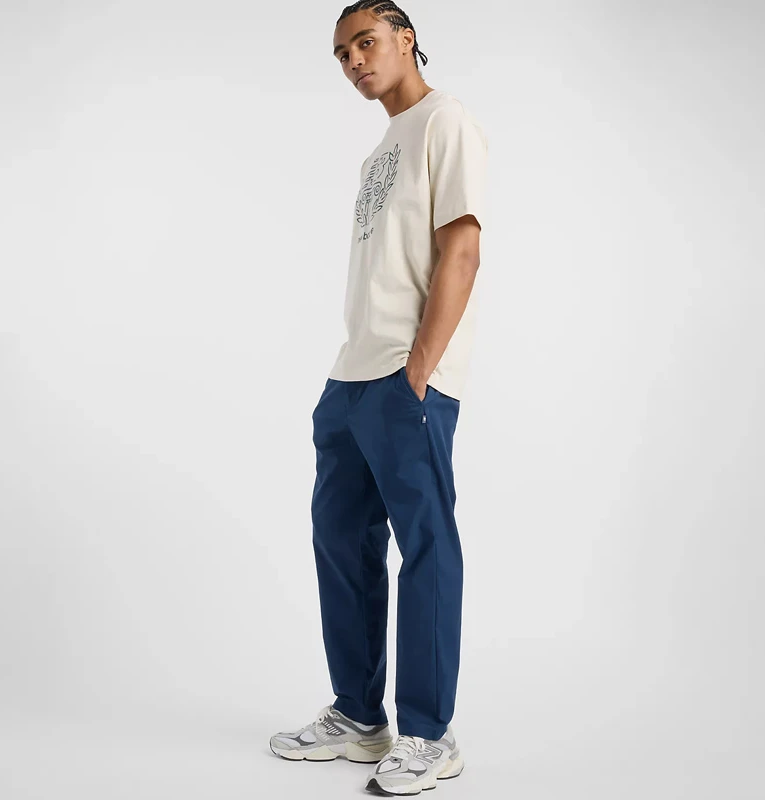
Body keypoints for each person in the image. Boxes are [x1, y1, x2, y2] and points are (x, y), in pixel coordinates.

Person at [269, 1, 488, 794]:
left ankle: (429, 734)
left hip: (406, 379)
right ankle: (360, 718)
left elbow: (461, 248)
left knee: (425, 547)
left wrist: (420, 368)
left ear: (405, 39)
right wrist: (349, 382)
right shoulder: (378, 153)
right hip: (352, 380)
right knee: (341, 541)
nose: (354, 61)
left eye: (365, 42)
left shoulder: (443, 121)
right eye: (341, 54)